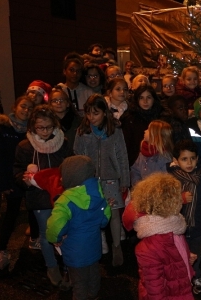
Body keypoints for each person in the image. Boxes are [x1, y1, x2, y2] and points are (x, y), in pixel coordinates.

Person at [14, 105, 73, 286]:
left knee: (65, 232)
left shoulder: (63, 143)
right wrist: (23, 179)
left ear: (55, 125)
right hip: (38, 197)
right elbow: (16, 170)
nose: (45, 131)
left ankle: (69, 267)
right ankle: (51, 266)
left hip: (60, 196)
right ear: (33, 127)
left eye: (48, 127)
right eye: (40, 127)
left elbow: (70, 166)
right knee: (46, 234)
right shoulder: (25, 146)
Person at [74, 95, 130, 266]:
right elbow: (78, 156)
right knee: (95, 213)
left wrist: (124, 180)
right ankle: (101, 241)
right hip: (91, 180)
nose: (91, 118)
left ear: (105, 113)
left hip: (111, 178)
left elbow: (122, 156)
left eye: (96, 113)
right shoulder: (83, 132)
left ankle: (117, 246)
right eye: (89, 114)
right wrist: (79, 179)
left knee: (113, 214)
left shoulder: (115, 131)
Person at [122, 173, 196, 300]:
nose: (181, 199)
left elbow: (174, 252)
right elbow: (155, 290)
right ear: (168, 203)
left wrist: (185, 257)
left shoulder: (173, 225)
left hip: (179, 287)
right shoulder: (150, 246)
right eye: (177, 196)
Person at [46, 155, 111, 300]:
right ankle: (93, 294)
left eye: (63, 175)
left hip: (75, 253)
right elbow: (105, 218)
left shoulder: (65, 200)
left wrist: (54, 238)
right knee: (94, 275)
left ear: (71, 176)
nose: (61, 179)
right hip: (94, 248)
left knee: (79, 282)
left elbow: (56, 224)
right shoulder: (97, 193)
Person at [0, 96, 36, 271]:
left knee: (33, 211)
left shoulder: (32, 129)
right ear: (15, 107)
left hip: (28, 177)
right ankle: (1, 248)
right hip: (12, 179)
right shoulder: (4, 129)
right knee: (11, 214)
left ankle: (35, 243)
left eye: (29, 108)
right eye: (23, 106)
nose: (25, 110)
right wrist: (3, 183)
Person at [166, 139, 201, 295]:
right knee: (178, 254)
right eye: (184, 159)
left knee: (195, 254)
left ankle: (195, 276)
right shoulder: (172, 179)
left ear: (197, 159)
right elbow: (165, 202)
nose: (189, 163)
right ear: (176, 160)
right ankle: (179, 278)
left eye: (192, 158)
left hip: (196, 224)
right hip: (176, 227)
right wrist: (181, 199)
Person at [120, 85, 163, 167]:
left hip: (158, 162)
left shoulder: (161, 117)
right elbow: (125, 146)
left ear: (154, 99)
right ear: (137, 100)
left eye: (149, 97)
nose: (145, 101)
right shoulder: (129, 118)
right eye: (141, 98)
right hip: (135, 163)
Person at [130, 120, 173, 186]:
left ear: (155, 135)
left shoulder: (164, 157)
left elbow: (166, 179)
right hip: (143, 191)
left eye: (148, 130)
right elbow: (135, 170)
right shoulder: (142, 154)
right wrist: (138, 184)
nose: (145, 131)